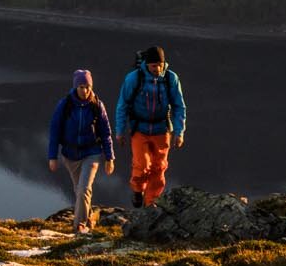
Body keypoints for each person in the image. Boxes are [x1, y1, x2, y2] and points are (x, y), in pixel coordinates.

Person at [113, 45, 187, 208]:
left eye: (160, 65)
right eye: (154, 66)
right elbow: (122, 105)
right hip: (139, 128)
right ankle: (138, 190)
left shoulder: (170, 79)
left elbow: (179, 106)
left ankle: (151, 204)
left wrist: (179, 132)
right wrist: (119, 131)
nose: (157, 69)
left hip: (162, 129)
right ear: (146, 64)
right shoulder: (134, 78)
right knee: (142, 165)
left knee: (159, 168)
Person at [47, 69, 115, 231]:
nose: (85, 91)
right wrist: (52, 157)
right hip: (70, 155)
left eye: (87, 87)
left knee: (84, 188)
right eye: (81, 87)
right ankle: (90, 216)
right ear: (76, 87)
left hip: (91, 153)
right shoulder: (65, 105)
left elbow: (106, 133)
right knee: (79, 190)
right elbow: (55, 131)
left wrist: (109, 157)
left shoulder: (97, 106)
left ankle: (80, 226)